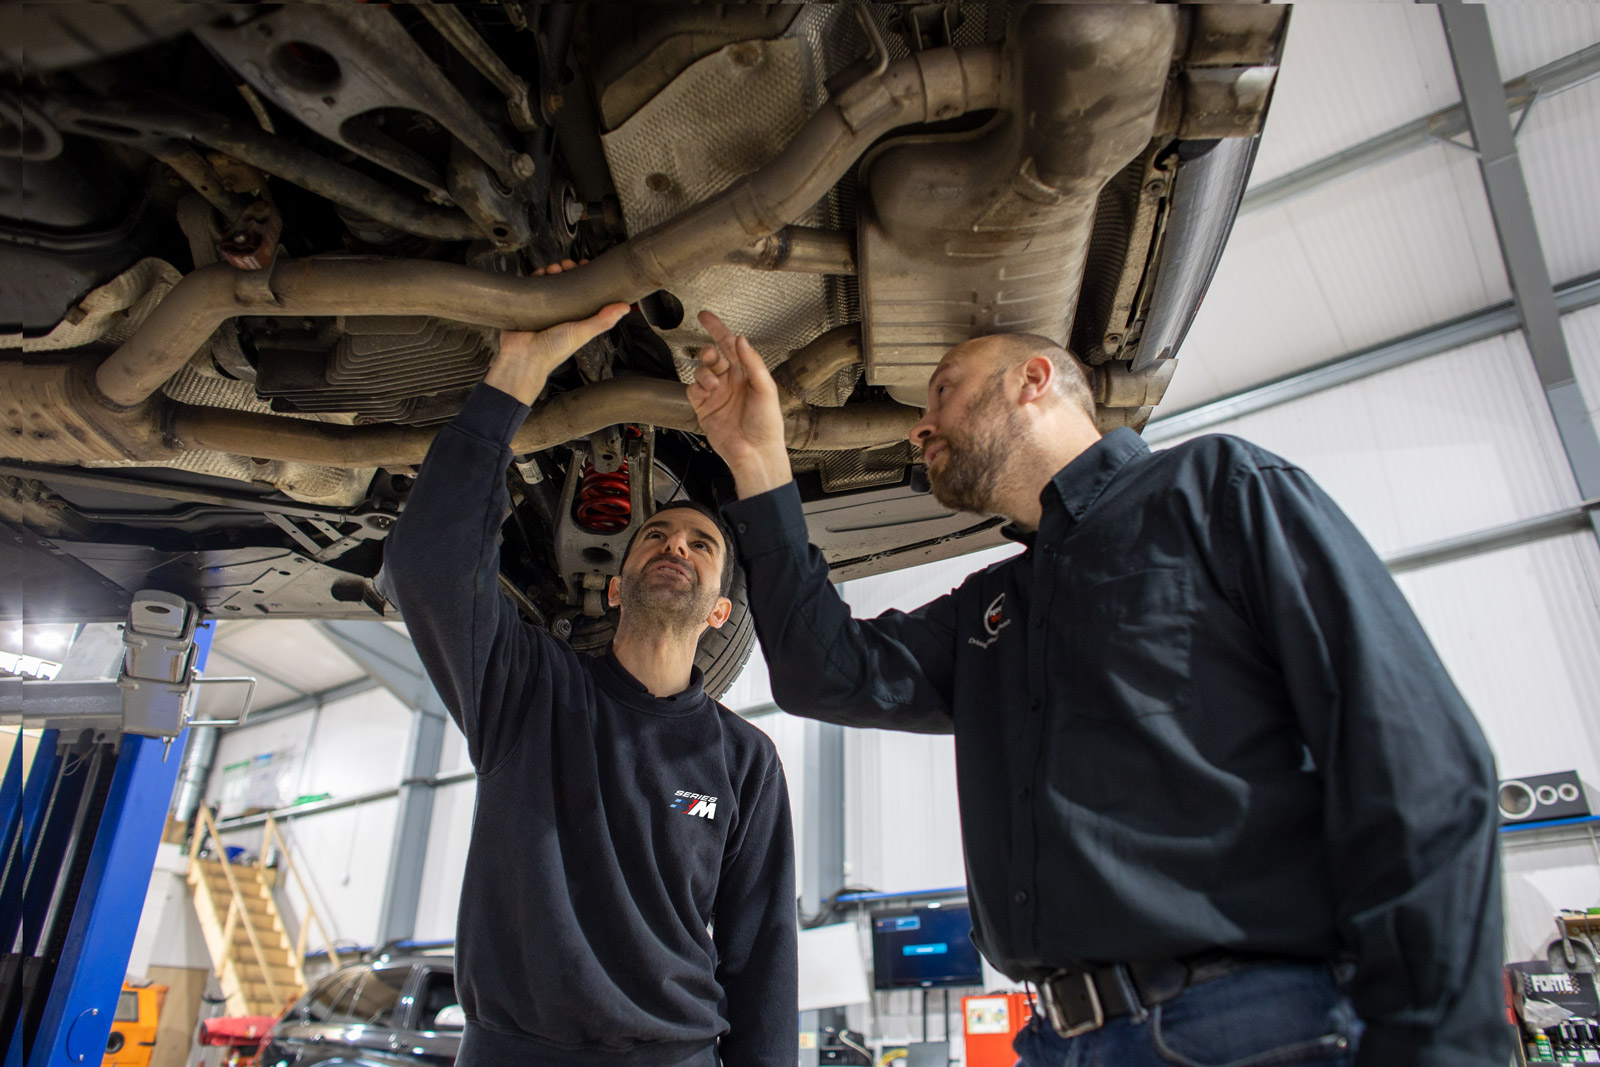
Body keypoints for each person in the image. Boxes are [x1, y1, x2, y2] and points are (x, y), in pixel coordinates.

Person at [687, 311, 1509, 1067]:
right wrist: (757, 459)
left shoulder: (1217, 491)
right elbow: (825, 672)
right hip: (1055, 1038)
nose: (920, 424)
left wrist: (1439, 1043)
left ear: (1033, 380)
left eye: (943, 390)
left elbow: (1412, 758)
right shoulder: (995, 606)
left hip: (1253, 1025)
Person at [379, 266, 797, 1067]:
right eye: (656, 536)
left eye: (700, 545)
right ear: (615, 584)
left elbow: (762, 954)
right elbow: (429, 562)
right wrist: (515, 377)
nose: (675, 543)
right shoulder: (527, 690)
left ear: (720, 610)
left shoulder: (745, 761)